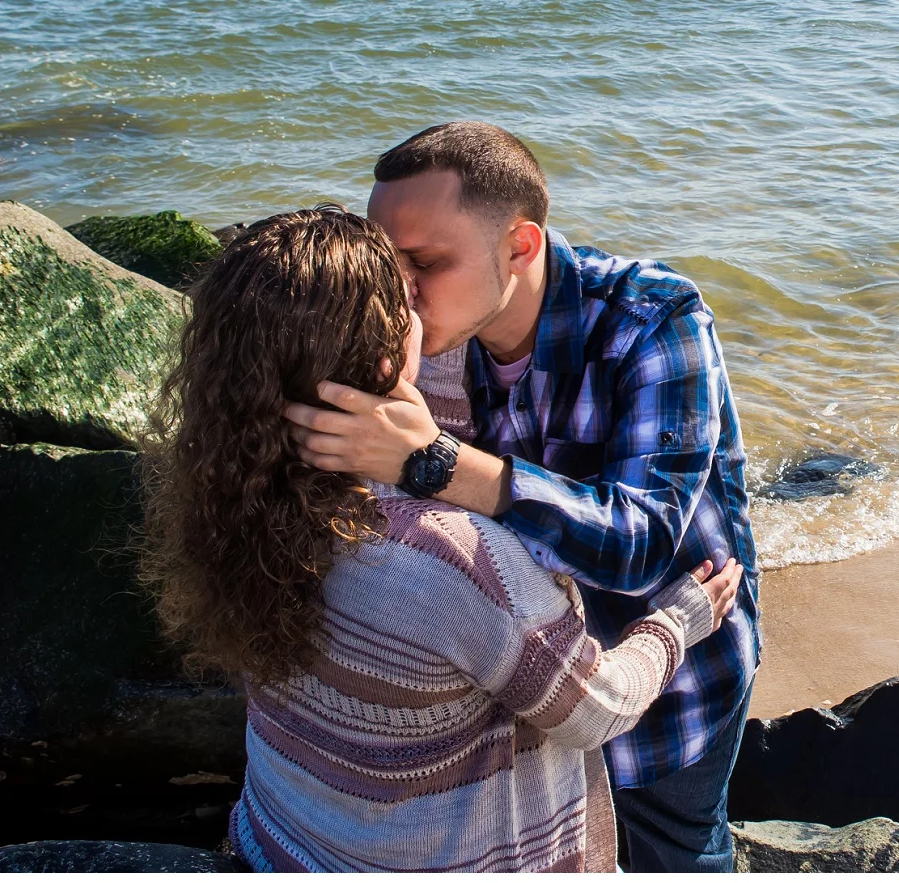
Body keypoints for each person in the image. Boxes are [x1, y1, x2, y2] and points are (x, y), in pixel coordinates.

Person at [141, 207, 744, 871]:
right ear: (384, 355)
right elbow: (598, 709)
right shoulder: (452, 560)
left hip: (287, 841)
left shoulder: (237, 495)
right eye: (407, 300)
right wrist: (676, 623)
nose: (425, 309)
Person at [282, 123, 761, 872]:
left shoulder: (654, 322)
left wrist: (436, 462)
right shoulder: (428, 338)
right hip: (531, 686)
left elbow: (639, 545)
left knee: (680, 852)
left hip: (674, 677)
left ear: (520, 246)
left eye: (424, 263)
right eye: (386, 263)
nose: (399, 292)